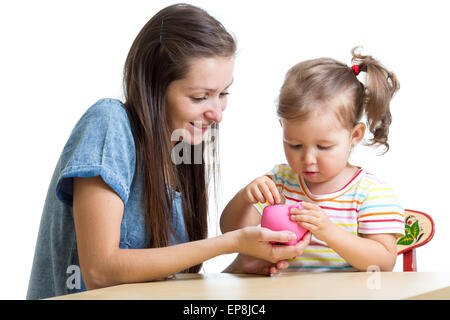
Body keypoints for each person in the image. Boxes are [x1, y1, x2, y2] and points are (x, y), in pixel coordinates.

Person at [26, 3, 310, 300]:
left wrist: (240, 265)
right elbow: (100, 271)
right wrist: (232, 242)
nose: (217, 114)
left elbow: (167, 285)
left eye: (223, 93)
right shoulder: (109, 123)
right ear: (155, 87)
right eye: (200, 97)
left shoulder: (183, 152)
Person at [220, 47, 405, 272]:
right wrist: (244, 198)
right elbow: (231, 233)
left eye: (323, 147)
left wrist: (328, 230)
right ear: (283, 129)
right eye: (295, 145)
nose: (308, 159)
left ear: (354, 135)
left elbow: (384, 262)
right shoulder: (280, 182)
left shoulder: (370, 192)